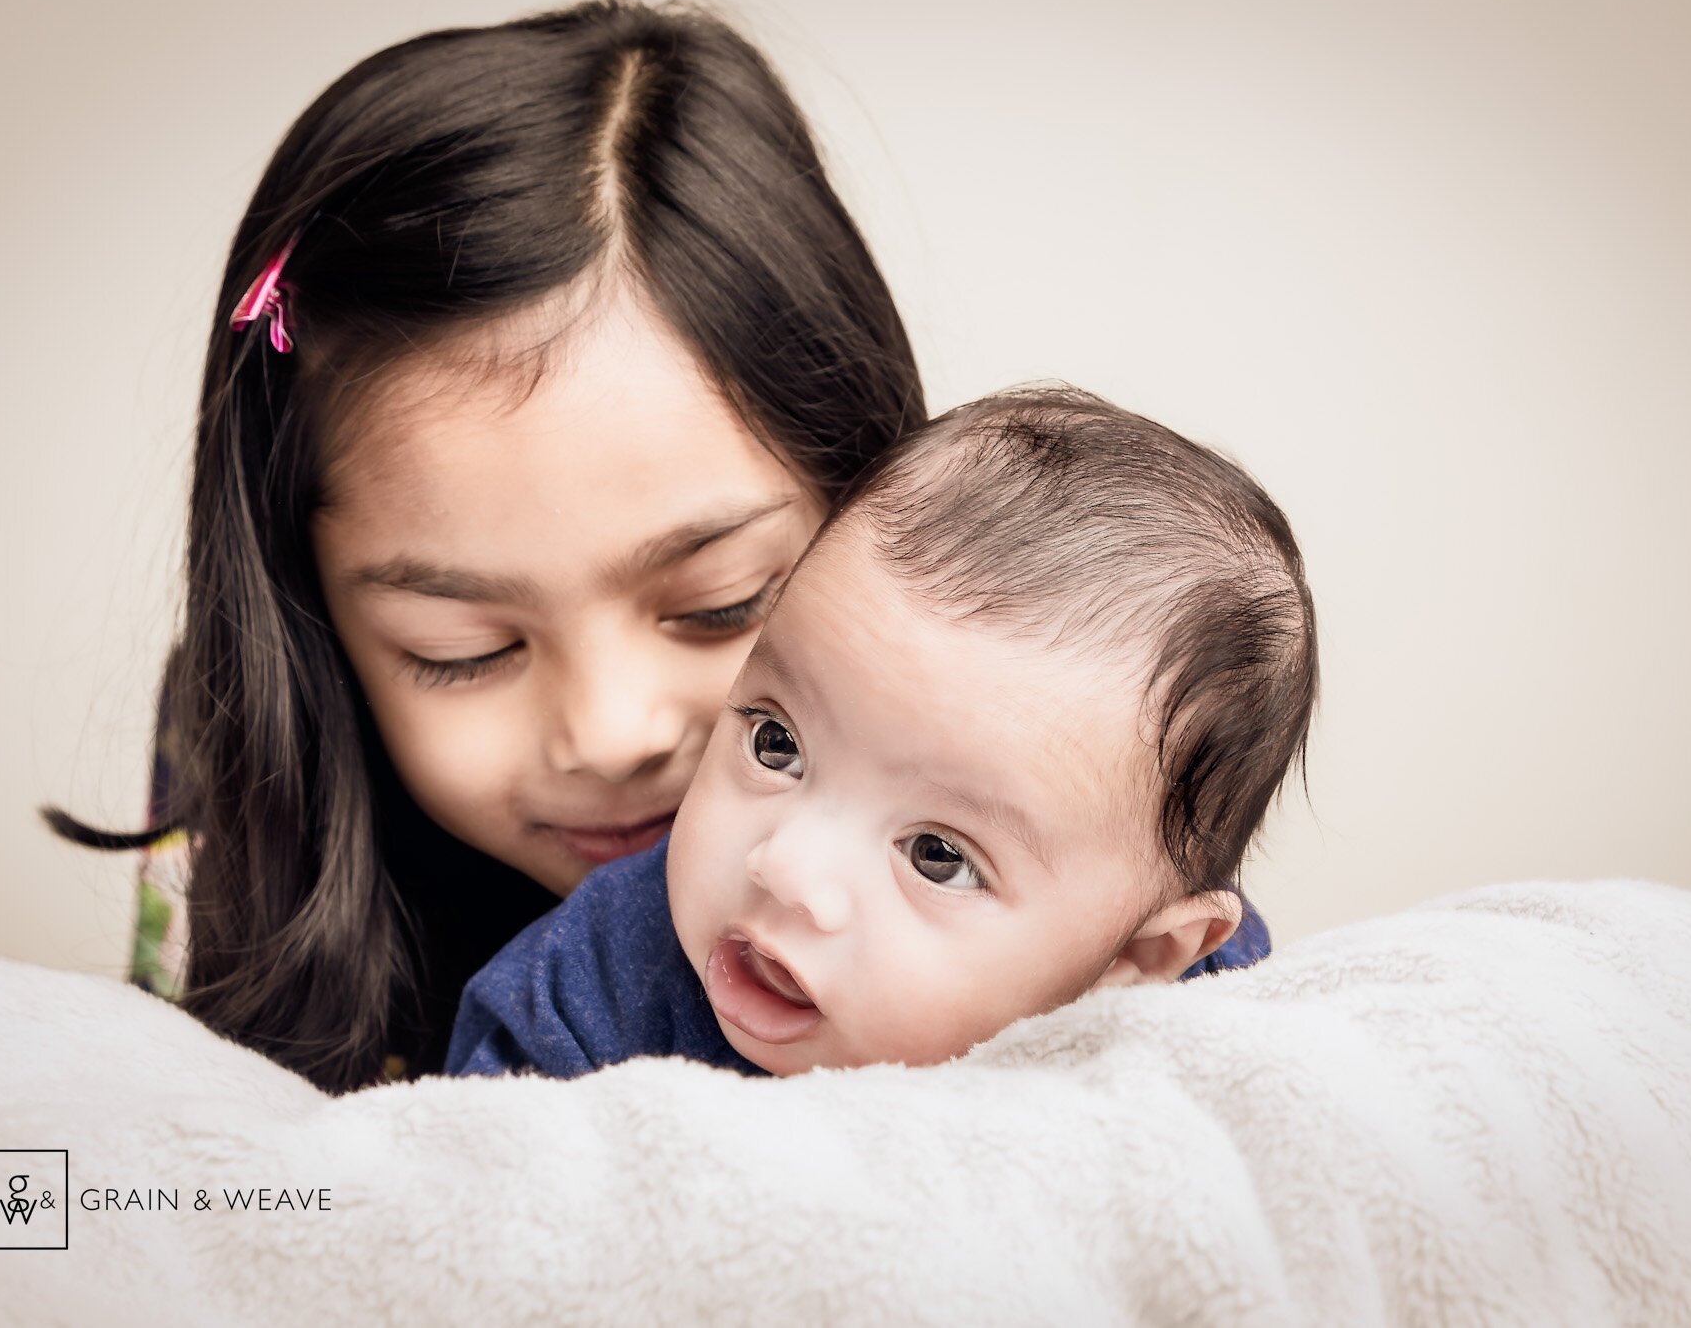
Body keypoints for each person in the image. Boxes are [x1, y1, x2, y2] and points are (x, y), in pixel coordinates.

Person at [45, 0, 927, 1092]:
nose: (610, 735)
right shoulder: (237, 757)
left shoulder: (1062, 754)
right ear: (309, 614)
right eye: (459, 649)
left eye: (722, 604)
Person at [447, 388, 1312, 1078]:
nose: (782, 867)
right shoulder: (588, 994)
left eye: (937, 854)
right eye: (776, 745)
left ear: (1132, 958)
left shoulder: (1190, 1045)